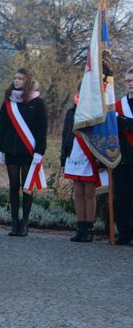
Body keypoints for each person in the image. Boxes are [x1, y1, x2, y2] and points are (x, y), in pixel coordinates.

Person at [0, 68, 47, 237]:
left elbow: (41, 130)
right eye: (15, 78)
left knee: (26, 187)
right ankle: (14, 221)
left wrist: (39, 151)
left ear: (28, 81)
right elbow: (1, 127)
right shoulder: (8, 102)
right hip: (11, 150)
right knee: (14, 186)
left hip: (28, 152)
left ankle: (25, 222)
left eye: (21, 78)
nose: (17, 81)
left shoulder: (37, 103)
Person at [61, 91, 99, 242]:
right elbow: (65, 135)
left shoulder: (95, 112)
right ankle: (80, 226)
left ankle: (89, 228)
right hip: (74, 153)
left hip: (89, 154)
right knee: (78, 193)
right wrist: (63, 157)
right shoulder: (71, 112)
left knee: (89, 193)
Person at [113, 67, 133, 245]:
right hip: (121, 158)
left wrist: (126, 122)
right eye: (127, 81)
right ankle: (124, 233)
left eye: (132, 81)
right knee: (121, 197)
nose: (130, 84)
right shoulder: (119, 105)